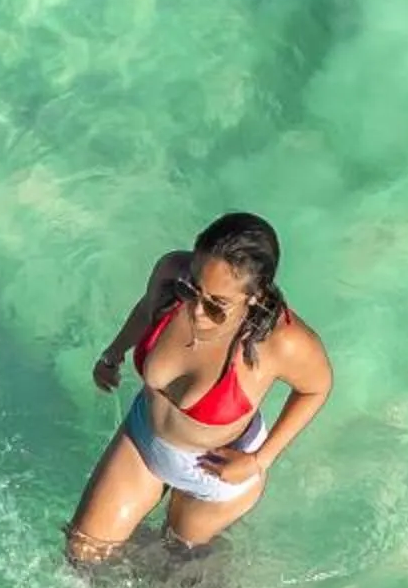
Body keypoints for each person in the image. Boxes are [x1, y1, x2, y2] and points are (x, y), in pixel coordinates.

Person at [65, 212, 332, 568]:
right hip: (145, 438)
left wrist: (259, 461)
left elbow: (316, 388)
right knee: (82, 556)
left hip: (214, 477)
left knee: (174, 577)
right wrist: (113, 354)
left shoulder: (281, 341)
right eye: (192, 288)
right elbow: (146, 310)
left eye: (217, 305)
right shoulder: (171, 274)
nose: (197, 311)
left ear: (255, 295)